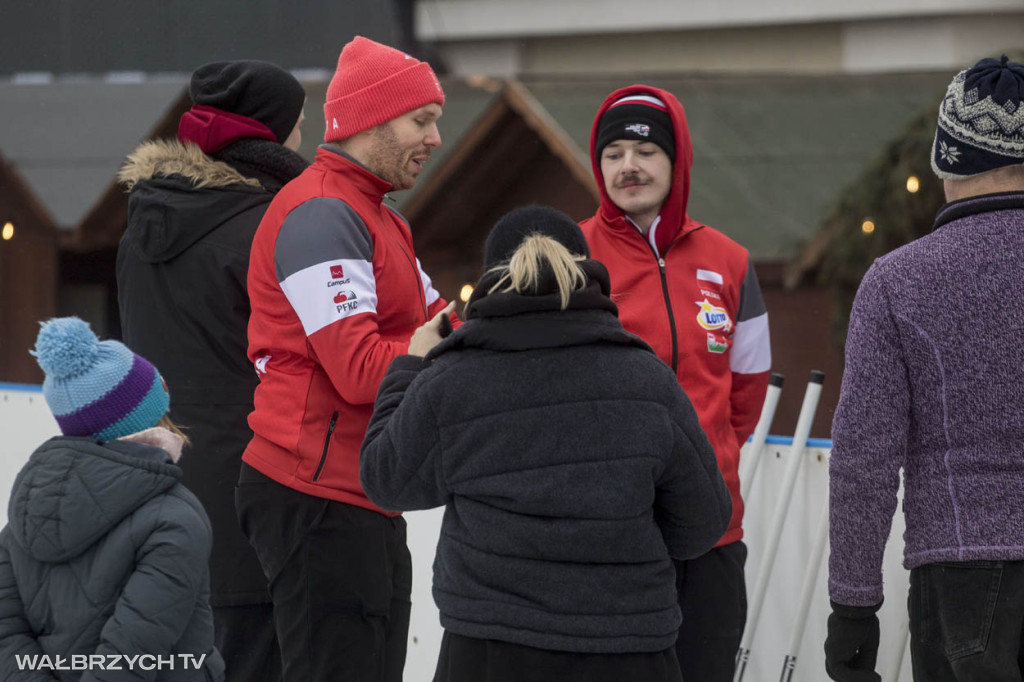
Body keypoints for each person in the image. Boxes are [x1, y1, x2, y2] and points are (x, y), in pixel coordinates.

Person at [360, 205, 732, 682]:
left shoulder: (453, 380)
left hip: (490, 651)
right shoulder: (646, 380)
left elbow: (386, 481)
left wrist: (410, 366)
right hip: (628, 649)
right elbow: (702, 524)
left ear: (493, 279)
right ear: (586, 274)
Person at [236, 36, 453, 682]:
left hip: (366, 492)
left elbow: (445, 328)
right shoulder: (323, 212)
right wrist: (428, 348)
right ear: (369, 122)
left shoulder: (383, 217)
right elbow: (359, 369)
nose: (436, 138)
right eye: (422, 119)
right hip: (314, 495)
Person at [825, 55, 1024, 682]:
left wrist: (852, 606)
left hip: (961, 575)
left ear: (947, 158)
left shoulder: (897, 283)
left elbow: (864, 457)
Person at [117, 59, 308, 682]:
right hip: (255, 489)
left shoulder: (138, 227)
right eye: (300, 126)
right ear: (273, 136)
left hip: (158, 483)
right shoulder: (270, 227)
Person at [579, 85, 772, 680]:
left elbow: (747, 392)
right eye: (612, 154)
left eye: (644, 151)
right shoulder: (569, 255)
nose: (628, 167)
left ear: (676, 158)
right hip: (609, 531)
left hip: (711, 531)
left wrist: (705, 460)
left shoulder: (731, 261)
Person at [0, 317, 224, 681]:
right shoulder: (174, 517)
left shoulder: (21, 517)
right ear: (152, 414)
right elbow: (133, 655)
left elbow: (6, 635)